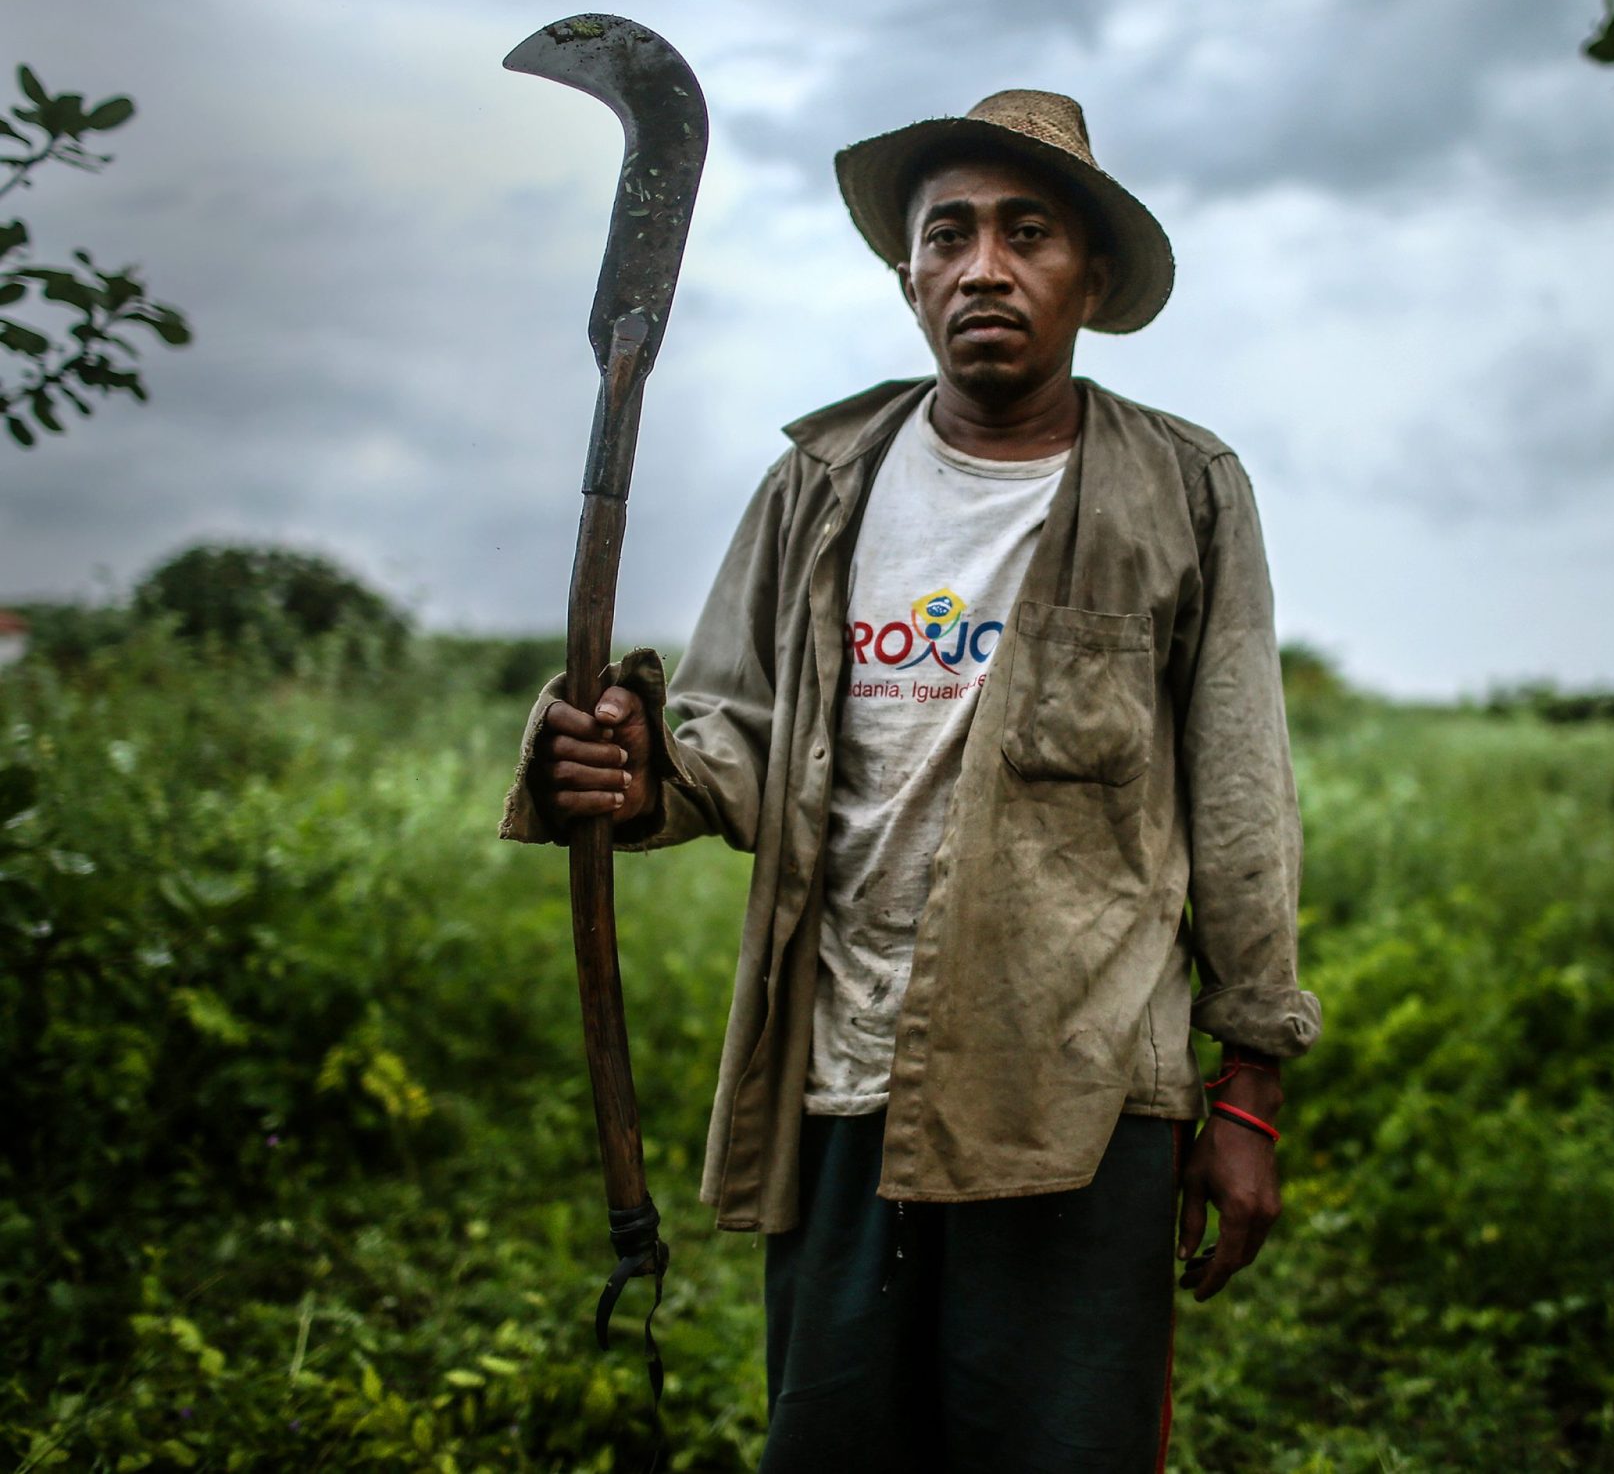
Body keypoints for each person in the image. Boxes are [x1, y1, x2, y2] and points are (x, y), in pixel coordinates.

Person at [500, 89, 1320, 1473]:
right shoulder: (820, 481)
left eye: (1029, 233)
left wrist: (1247, 1085)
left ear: (1092, 277)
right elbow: (734, 738)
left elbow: (1241, 789)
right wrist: (638, 768)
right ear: (909, 273)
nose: (984, 267)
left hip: (1084, 1086)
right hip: (838, 1077)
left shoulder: (1180, 490)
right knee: (837, 1443)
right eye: (950, 235)